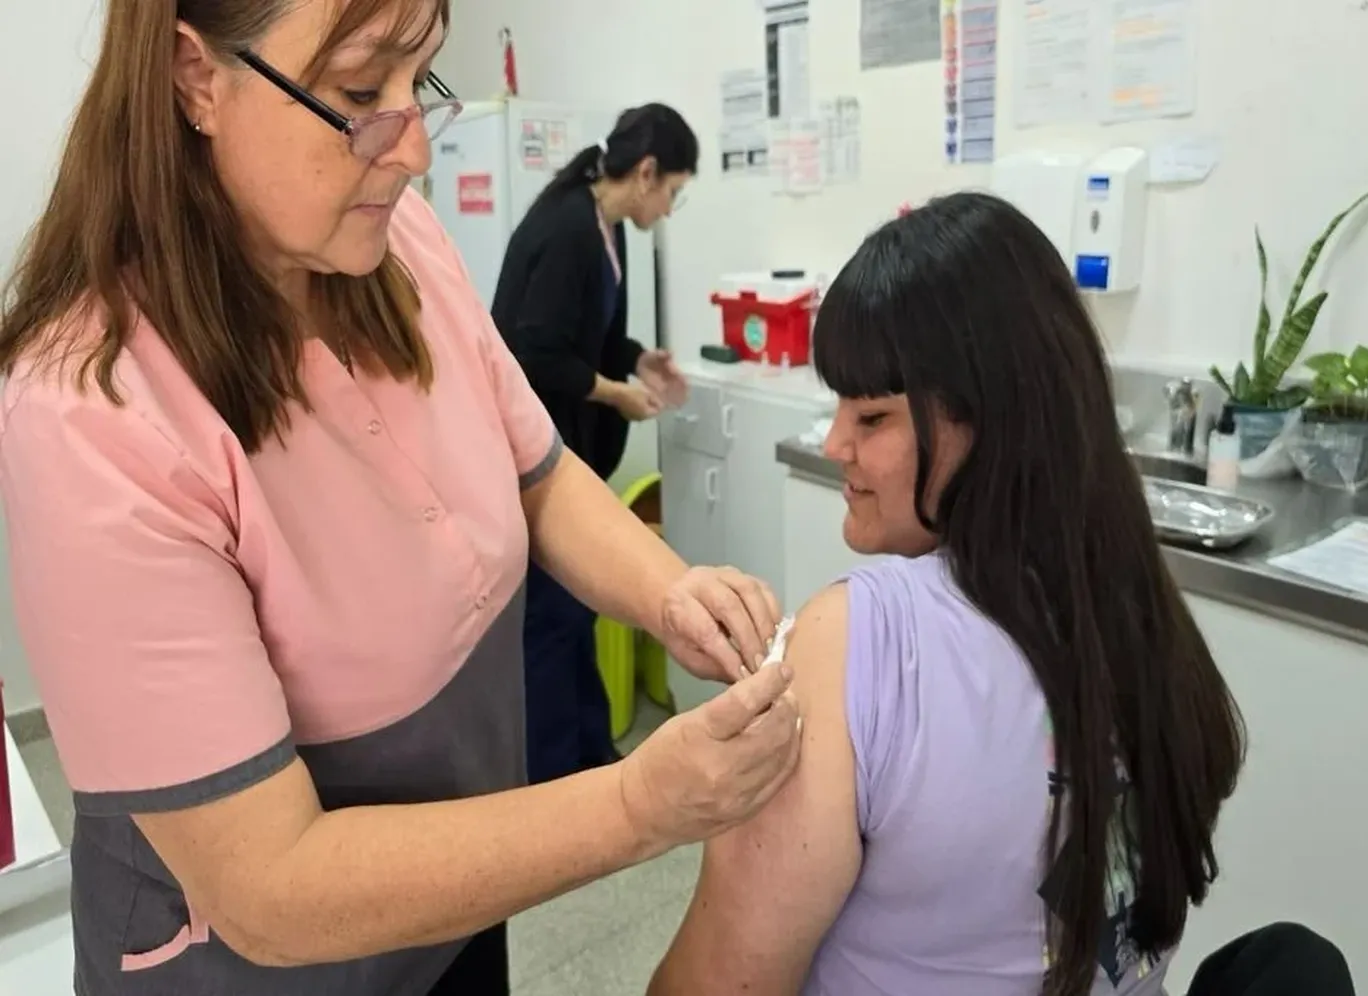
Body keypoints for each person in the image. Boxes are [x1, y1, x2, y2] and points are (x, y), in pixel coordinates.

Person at [0, 2, 801, 994]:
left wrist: (669, 591)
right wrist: (642, 804)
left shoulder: (400, 245)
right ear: (195, 77)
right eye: (357, 93)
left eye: (418, 83)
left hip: (453, 909)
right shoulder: (91, 412)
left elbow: (539, 475)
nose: (415, 150)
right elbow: (273, 888)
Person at [649, 192, 1247, 996]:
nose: (834, 446)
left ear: (990, 423)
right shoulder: (1140, 612)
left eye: (872, 417)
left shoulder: (861, 642)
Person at [491, 103, 695, 783]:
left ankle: (592, 757)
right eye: (671, 190)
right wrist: (614, 394)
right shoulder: (568, 230)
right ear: (645, 173)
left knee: (578, 610)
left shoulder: (608, 229)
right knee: (551, 622)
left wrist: (639, 361)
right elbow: (532, 352)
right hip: (531, 457)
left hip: (570, 452)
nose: (667, 208)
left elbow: (594, 335)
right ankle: (552, 779)